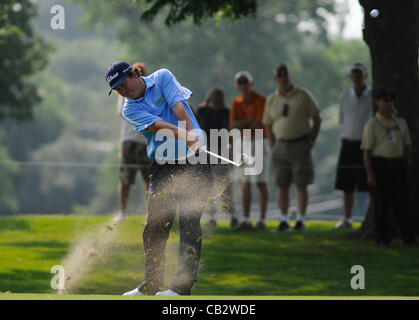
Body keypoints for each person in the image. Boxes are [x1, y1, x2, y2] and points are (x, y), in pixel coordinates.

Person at [105, 61, 212, 296]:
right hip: (164, 166)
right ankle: (151, 284)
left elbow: (179, 107)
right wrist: (185, 135)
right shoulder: (128, 109)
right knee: (154, 227)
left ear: (134, 74)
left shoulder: (163, 77)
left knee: (189, 224)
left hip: (195, 160)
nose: (124, 92)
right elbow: (158, 125)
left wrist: (192, 137)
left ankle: (182, 288)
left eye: (123, 85)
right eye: (118, 90)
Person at [263, 63, 321, 232]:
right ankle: (283, 219)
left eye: (286, 74)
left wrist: (311, 140)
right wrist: (273, 144)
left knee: (301, 184)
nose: (284, 78)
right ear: (276, 79)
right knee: (282, 185)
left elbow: (317, 118)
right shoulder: (272, 99)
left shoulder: (303, 95)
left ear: (290, 76)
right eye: (280, 75)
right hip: (280, 145)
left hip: (300, 143)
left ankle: (301, 220)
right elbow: (268, 123)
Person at [361, 89, 417, 248]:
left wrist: (407, 164)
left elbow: (407, 147)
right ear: (377, 102)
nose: (387, 103)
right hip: (380, 165)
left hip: (398, 165)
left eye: (390, 100)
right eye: (384, 100)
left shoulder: (400, 123)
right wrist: (370, 173)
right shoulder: (372, 124)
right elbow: (367, 152)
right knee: (381, 204)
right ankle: (382, 238)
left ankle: (408, 235)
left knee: (402, 203)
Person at [334, 62, 373, 229]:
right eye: (353, 73)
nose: (356, 76)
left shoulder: (372, 95)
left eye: (359, 73)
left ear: (365, 75)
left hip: (367, 145)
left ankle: (371, 217)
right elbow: (343, 120)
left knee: (369, 183)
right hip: (348, 143)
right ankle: (348, 219)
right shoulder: (344, 96)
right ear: (350, 76)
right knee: (346, 184)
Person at [230, 71, 270, 231]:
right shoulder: (237, 102)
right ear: (237, 86)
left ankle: (262, 220)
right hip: (243, 143)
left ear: (252, 84)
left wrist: (242, 124)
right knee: (244, 183)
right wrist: (247, 121)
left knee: (261, 182)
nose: (244, 85)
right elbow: (232, 125)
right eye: (241, 83)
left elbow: (259, 124)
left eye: (246, 82)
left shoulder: (262, 100)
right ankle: (246, 220)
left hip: (259, 140)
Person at [114, 63, 151, 223]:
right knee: (125, 179)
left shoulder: (150, 90)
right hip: (129, 140)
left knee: (150, 180)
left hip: (147, 141)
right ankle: (122, 212)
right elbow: (122, 113)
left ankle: (151, 213)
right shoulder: (124, 91)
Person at [196, 88, 238, 228]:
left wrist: (232, 149)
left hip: (222, 151)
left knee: (226, 185)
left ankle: (232, 215)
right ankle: (212, 216)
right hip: (206, 151)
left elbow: (230, 132)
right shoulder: (202, 111)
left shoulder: (226, 112)